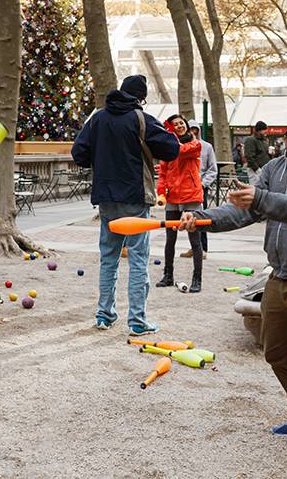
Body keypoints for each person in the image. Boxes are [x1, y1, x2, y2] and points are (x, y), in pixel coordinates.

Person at [178, 97, 287, 479]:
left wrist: (261, 198)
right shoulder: (276, 167)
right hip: (280, 275)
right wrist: (203, 218)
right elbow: (245, 209)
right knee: (276, 353)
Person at [72, 75, 179, 335]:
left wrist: (102, 158)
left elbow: (79, 153)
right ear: (140, 98)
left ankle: (104, 315)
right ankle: (137, 320)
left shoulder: (97, 118)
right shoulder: (141, 119)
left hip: (106, 197)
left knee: (109, 258)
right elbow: (171, 149)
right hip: (135, 196)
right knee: (138, 259)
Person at [155, 114, 204, 292]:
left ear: (187, 125)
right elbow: (163, 172)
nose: (179, 126)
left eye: (181, 123)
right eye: (175, 124)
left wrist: (168, 141)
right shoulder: (168, 149)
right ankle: (168, 275)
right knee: (170, 239)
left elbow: (181, 151)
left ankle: (197, 279)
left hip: (191, 196)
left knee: (195, 240)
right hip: (173, 197)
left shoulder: (195, 144)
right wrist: (161, 192)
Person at [182, 120, 217, 258]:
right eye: (190, 130)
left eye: (195, 130)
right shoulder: (182, 146)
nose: (193, 133)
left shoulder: (207, 147)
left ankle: (203, 248)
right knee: (187, 219)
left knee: (200, 218)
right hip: (185, 188)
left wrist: (203, 184)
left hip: (200, 187)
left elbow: (212, 169)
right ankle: (194, 247)